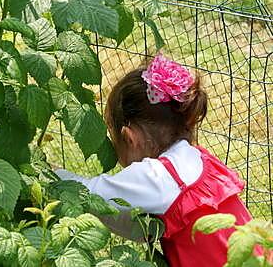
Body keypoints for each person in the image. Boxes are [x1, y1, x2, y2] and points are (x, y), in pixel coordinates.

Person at [56, 53, 254, 266]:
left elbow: (87, 192)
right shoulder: (198, 159)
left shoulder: (156, 177)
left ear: (129, 137)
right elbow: (140, 229)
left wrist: (47, 174)